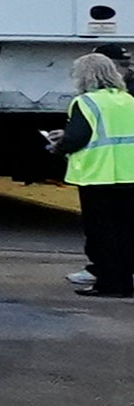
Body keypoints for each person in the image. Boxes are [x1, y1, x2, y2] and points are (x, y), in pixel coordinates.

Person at [68, 61, 134, 299]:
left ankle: (108, 283)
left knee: (102, 233)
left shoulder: (86, 102)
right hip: (129, 175)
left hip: (98, 175)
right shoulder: (129, 101)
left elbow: (77, 137)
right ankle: (126, 283)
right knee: (126, 232)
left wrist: (59, 144)